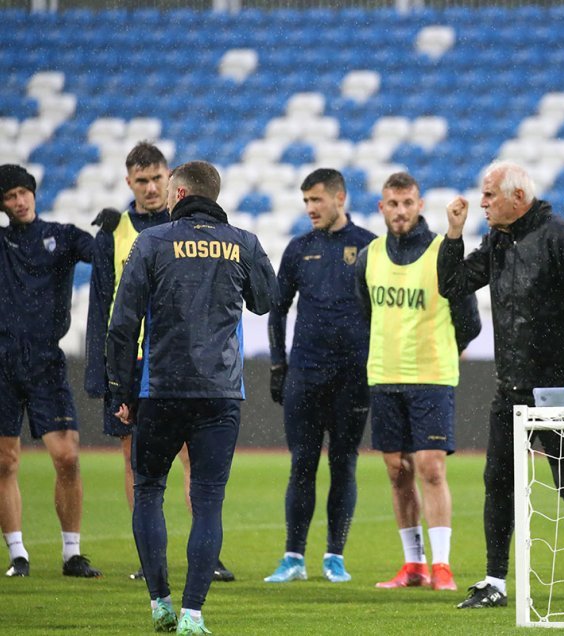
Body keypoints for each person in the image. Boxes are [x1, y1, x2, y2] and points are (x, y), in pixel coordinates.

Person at [106, 161, 278, 634]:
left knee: (148, 491)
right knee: (208, 501)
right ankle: (193, 614)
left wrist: (120, 388)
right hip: (219, 394)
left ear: (177, 195)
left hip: (160, 390)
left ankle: (160, 602)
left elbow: (122, 324)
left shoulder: (153, 241)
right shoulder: (243, 242)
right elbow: (267, 300)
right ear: (214, 196)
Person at [438, 161, 564, 611]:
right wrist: (453, 236)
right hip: (511, 386)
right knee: (498, 483)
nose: (482, 203)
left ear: (518, 198)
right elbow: (453, 284)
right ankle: (494, 580)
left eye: (489, 195)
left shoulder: (559, 236)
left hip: (556, 390)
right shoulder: (499, 238)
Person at [85, 142, 234, 583]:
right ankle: (149, 558)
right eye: (142, 181)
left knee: (190, 457)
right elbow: (102, 305)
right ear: (128, 183)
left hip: (175, 359)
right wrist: (105, 374)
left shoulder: (186, 228)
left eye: (157, 179)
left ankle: (204, 554)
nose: (151, 188)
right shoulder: (115, 232)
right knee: (136, 462)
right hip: (133, 362)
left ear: (172, 181)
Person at [354, 172, 480, 592]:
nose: (400, 211)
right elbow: (365, 315)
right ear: (381, 207)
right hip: (385, 376)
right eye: (393, 203)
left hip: (431, 374)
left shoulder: (442, 252)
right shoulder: (370, 255)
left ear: (419, 204)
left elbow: (470, 321)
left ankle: (442, 565)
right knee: (396, 471)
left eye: (407, 203)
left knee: (431, 467)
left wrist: (445, 348)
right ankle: (414, 565)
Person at [264, 169, 375, 584]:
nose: (310, 208)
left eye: (317, 200)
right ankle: (293, 557)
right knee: (302, 465)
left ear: (339, 198)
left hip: (353, 377)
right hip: (306, 375)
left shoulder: (368, 247)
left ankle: (335, 556)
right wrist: (278, 365)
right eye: (306, 201)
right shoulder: (297, 249)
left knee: (344, 464)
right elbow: (277, 310)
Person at [0, 164, 102, 579]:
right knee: (5, 463)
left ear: (35, 194)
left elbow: (102, 254)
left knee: (68, 457)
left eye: (25, 192)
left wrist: (114, 230)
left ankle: (71, 553)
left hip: (45, 360)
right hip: (2, 362)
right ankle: (18, 553)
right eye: (10, 196)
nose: (20, 201)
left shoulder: (61, 236)